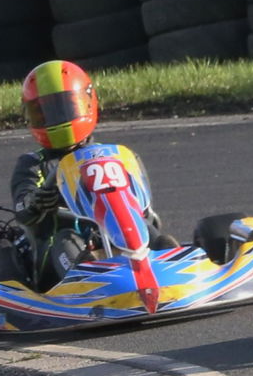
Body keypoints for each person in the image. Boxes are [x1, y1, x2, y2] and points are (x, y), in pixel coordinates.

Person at [10, 59, 163, 289]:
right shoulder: (33, 163)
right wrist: (36, 201)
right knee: (65, 240)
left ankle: (168, 263)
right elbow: (22, 207)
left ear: (87, 102)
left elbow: (143, 205)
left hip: (116, 233)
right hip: (56, 253)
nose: (56, 118)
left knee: (147, 228)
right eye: (44, 113)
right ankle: (87, 284)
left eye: (65, 107)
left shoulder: (116, 155)